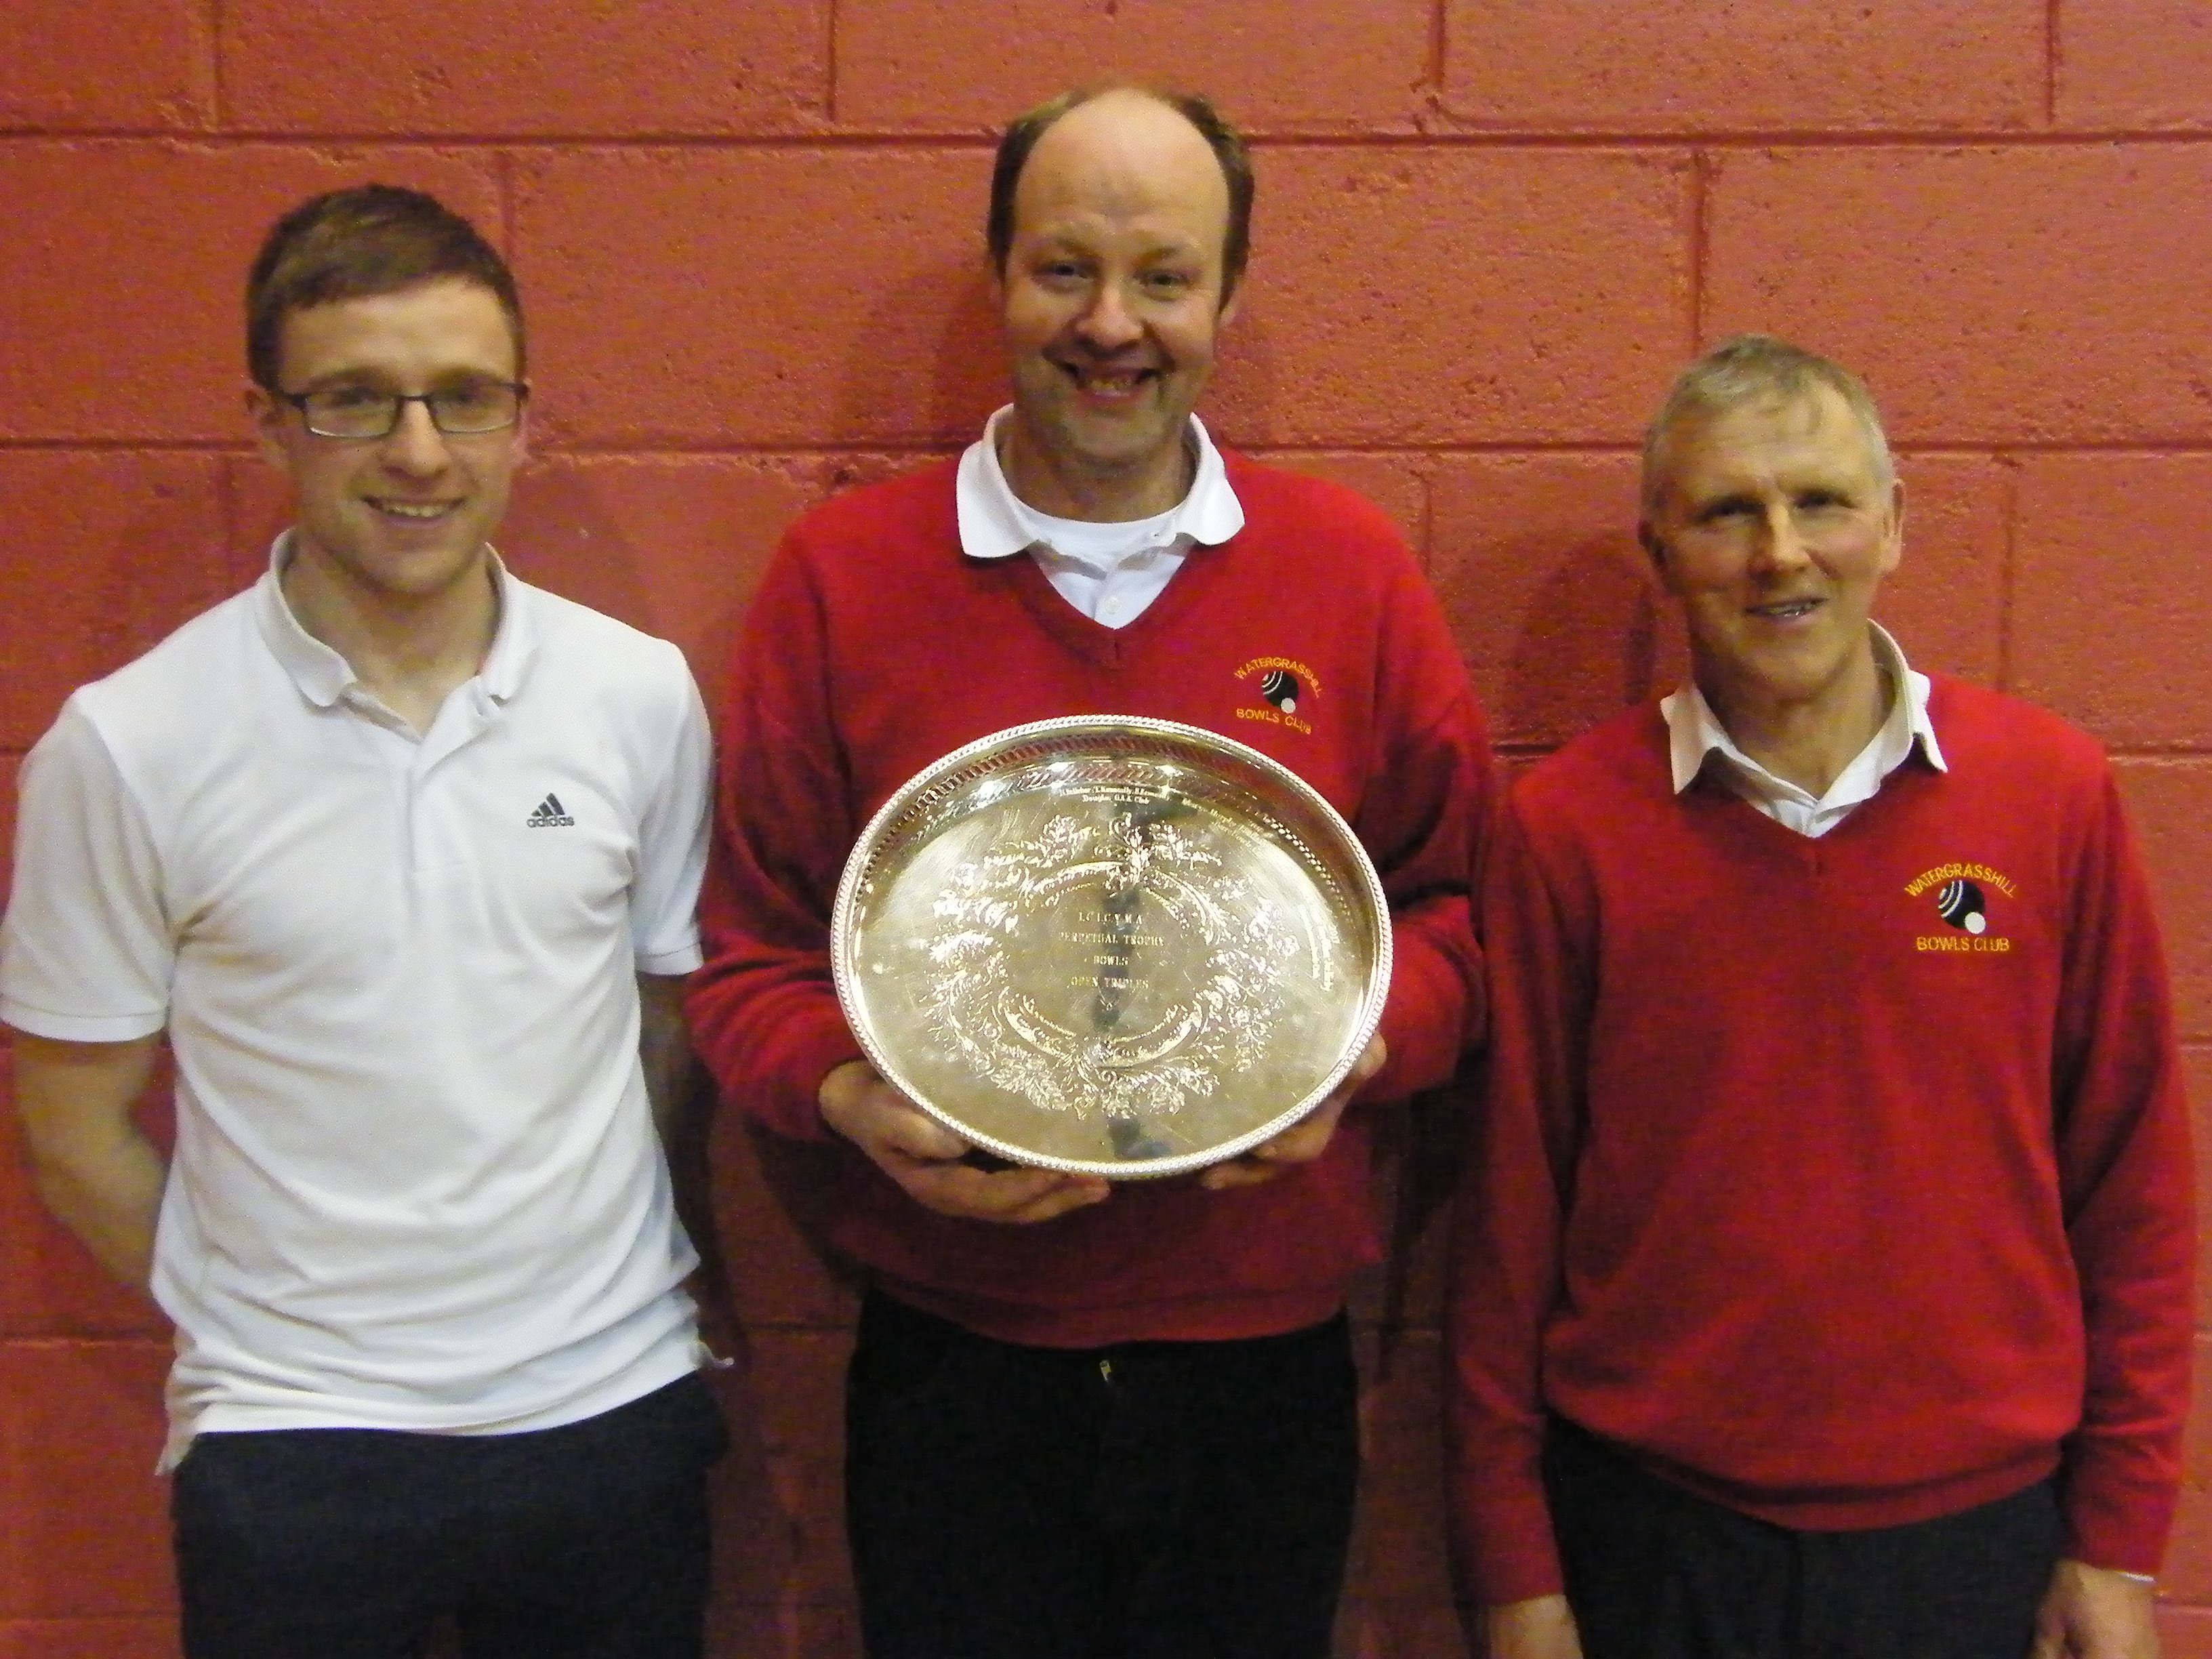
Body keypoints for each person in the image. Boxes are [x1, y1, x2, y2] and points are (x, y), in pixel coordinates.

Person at [687, 84, 1491, 1658]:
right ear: (1000, 278)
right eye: (1065, 269)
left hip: (1261, 1362)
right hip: (953, 1365)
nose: (1112, 323)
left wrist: (1355, 1052)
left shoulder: (1346, 571)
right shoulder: (844, 577)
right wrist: (849, 1099)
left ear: (1227, 297)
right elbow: (754, 958)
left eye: (1164, 277)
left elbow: (1459, 918)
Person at [1, 184, 723, 1659]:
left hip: (609, 1414)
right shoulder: (131, 743)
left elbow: (664, 1027)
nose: (418, 452)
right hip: (294, 1446)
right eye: (354, 401)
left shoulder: (637, 696)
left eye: (464, 397)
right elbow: (74, 1125)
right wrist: (272, 1322)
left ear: (521, 421)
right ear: (269, 425)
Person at [1450, 335, 2193, 1659]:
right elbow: (1512, 1213)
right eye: (1728, 512)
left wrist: (2119, 1545)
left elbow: (2132, 1187)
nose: (1781, 553)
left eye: (1822, 502)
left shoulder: (2050, 796)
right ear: (1662, 549)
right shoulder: (1568, 829)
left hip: (1977, 1550)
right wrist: (1518, 1572)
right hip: (1656, 1541)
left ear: (1893, 525)